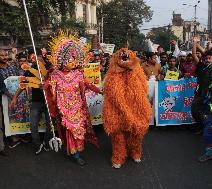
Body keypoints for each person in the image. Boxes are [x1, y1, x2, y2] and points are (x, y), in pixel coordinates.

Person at [45, 32, 100, 166]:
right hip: (64, 108)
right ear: (62, 59)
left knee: (79, 129)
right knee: (69, 131)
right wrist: (46, 84)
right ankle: (75, 154)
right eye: (70, 59)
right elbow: (47, 86)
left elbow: (88, 85)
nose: (73, 62)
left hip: (77, 107)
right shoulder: (55, 74)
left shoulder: (78, 73)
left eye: (75, 59)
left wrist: (101, 91)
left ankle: (77, 151)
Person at [103, 48, 152, 168]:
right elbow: (108, 90)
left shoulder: (137, 71)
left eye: (127, 54)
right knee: (118, 134)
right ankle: (118, 157)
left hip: (135, 107)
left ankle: (135, 152)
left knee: (135, 132)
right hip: (117, 109)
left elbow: (144, 89)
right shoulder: (112, 72)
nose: (124, 55)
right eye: (121, 54)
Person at [10, 50, 52, 155]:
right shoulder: (31, 68)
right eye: (31, 58)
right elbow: (23, 83)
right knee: (33, 125)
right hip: (36, 101)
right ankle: (38, 145)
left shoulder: (51, 66)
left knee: (50, 124)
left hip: (49, 101)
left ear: (40, 56)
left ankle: (46, 143)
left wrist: (47, 83)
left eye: (34, 57)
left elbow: (57, 82)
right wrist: (15, 97)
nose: (33, 60)